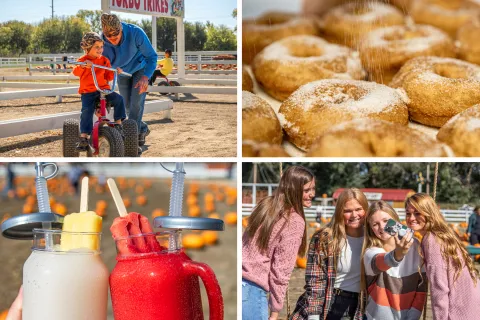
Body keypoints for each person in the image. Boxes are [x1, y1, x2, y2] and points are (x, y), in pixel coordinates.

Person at [242, 165, 315, 320]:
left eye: (313, 189)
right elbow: (281, 271)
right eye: (307, 190)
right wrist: (275, 313)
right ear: (294, 190)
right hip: (252, 292)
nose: (312, 194)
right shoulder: (294, 221)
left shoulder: (266, 205)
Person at [292, 188, 368, 320]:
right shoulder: (325, 238)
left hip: (360, 306)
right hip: (329, 301)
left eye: (358, 209)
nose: (354, 215)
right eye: (347, 211)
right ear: (339, 212)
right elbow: (315, 279)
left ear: (366, 209)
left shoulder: (373, 239)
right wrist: (314, 315)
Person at [405, 193, 480, 320]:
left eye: (417, 213)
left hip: (458, 308)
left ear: (428, 213)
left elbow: (440, 288)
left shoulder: (431, 240)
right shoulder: (441, 234)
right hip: (470, 301)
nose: (411, 218)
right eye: (408, 213)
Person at [361, 200, 426, 320]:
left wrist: (413, 317)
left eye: (386, 221)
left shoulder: (415, 246)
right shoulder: (370, 252)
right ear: (370, 228)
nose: (382, 227)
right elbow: (382, 261)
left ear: (395, 220)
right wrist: (398, 255)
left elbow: (421, 287)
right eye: (375, 224)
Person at [101, 13, 158, 148]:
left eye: (116, 36)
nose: (113, 40)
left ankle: (131, 142)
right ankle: (142, 128)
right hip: (121, 72)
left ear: (121, 29)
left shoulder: (136, 32)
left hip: (140, 69)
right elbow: (100, 62)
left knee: (136, 104)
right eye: (109, 37)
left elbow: (151, 57)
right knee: (126, 105)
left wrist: (146, 77)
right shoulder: (102, 42)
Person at [72, 32, 126, 151]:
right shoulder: (83, 60)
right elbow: (75, 72)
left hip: (103, 90)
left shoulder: (104, 60)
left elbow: (109, 76)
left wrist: (116, 72)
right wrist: (82, 66)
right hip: (88, 91)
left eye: (101, 47)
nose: (100, 49)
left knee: (119, 100)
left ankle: (118, 124)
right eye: (97, 47)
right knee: (86, 110)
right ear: (88, 47)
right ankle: (84, 137)